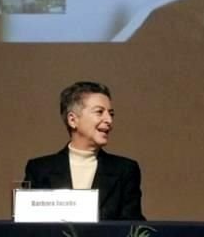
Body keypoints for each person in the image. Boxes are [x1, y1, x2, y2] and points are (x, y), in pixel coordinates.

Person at [23, 81, 144, 221]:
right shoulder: (39, 169)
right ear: (73, 120)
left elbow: (133, 228)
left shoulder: (125, 170)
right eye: (99, 112)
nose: (109, 120)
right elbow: (28, 226)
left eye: (111, 114)